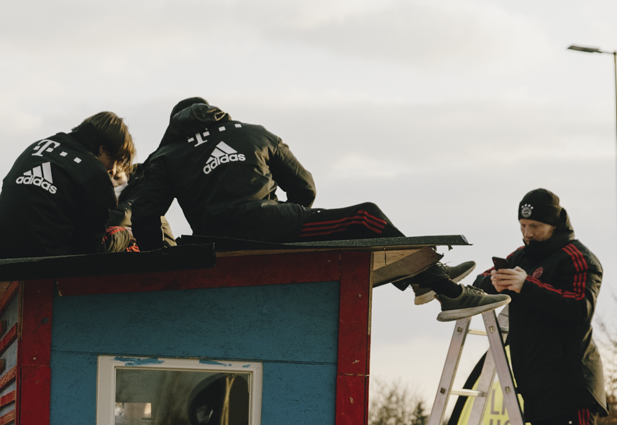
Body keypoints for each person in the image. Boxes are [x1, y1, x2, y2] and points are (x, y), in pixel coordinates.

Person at [124, 98, 509, 318]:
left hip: (212, 241)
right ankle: (446, 291)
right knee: (366, 216)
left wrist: (164, 269)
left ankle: (425, 279)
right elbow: (304, 187)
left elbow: (145, 216)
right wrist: (289, 220)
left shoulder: (167, 155)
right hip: (266, 224)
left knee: (362, 221)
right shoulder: (254, 133)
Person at [479, 187, 616, 425]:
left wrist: (527, 286)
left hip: (570, 379)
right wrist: (493, 282)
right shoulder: (522, 256)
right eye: (522, 226)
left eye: (534, 226)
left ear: (554, 224)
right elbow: (484, 280)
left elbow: (579, 310)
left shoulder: (578, 258)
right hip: (535, 382)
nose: (527, 234)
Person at [0, 111, 136, 263]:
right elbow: (90, 250)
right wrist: (123, 237)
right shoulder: (95, 174)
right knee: (119, 237)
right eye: (114, 161)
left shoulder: (37, 146)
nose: (112, 170)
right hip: (49, 259)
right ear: (102, 148)